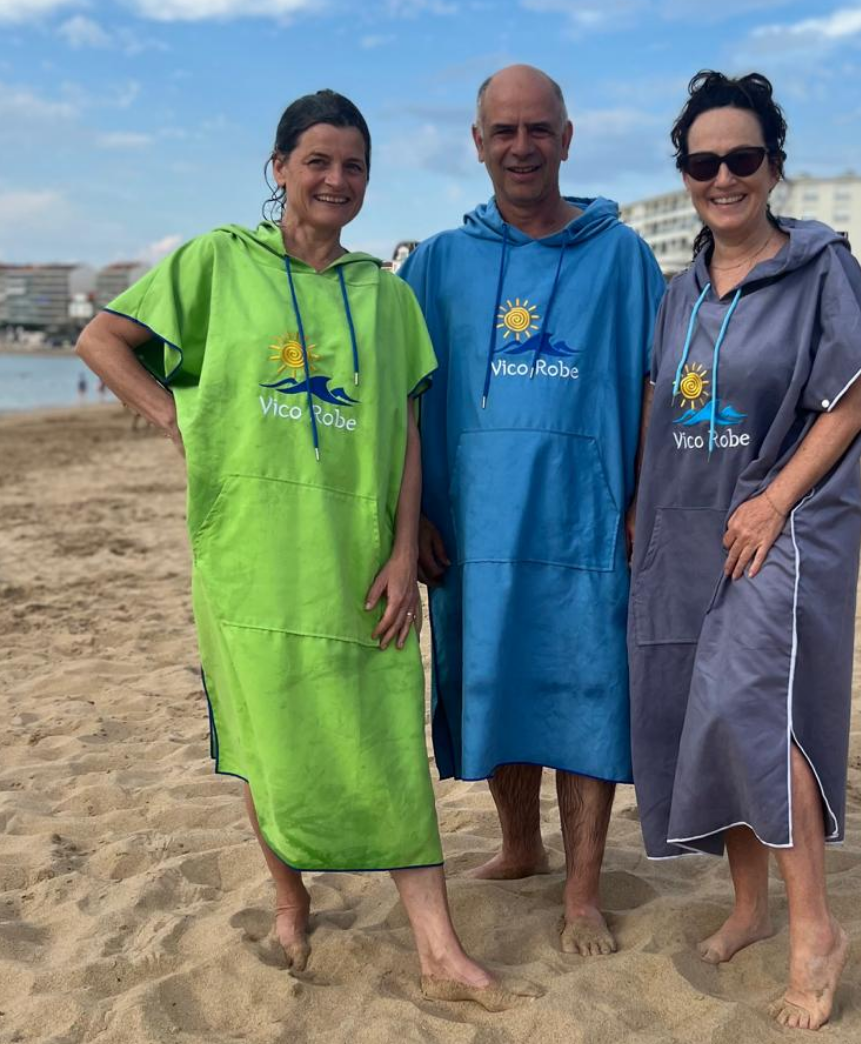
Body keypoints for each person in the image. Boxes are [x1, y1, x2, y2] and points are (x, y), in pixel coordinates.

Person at [75, 89, 536, 1011]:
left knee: (384, 739)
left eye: (353, 165)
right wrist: (177, 420)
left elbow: (405, 434)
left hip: (358, 556)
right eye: (317, 161)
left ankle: (437, 946)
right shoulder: (217, 261)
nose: (335, 179)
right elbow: (101, 340)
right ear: (279, 167)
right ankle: (290, 902)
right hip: (248, 554)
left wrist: (403, 553)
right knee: (268, 730)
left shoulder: (386, 295)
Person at [628, 71, 861, 1031]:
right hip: (685, 521)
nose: (722, 177)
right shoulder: (678, 291)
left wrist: (773, 500)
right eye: (703, 163)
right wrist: (639, 509)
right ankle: (748, 906)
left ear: (773, 165)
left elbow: (851, 396)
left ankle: (814, 929)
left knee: (750, 701)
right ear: (684, 175)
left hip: (786, 520)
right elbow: (655, 403)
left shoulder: (819, 267)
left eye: (742, 158)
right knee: (705, 706)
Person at [400, 65, 665, 956]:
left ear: (566, 138)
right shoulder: (436, 263)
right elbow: (400, 402)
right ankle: (521, 847)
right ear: (477, 143)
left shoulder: (620, 257)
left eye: (538, 129)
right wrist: (411, 518)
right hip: (472, 531)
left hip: (584, 525)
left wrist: (641, 497)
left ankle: (582, 892)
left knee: (586, 697)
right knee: (498, 689)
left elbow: (655, 385)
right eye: (504, 131)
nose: (522, 147)